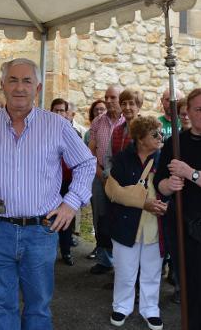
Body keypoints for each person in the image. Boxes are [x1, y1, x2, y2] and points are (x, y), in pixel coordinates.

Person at [0, 58, 95, 329]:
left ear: (38, 88)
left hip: (40, 231)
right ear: (2, 86)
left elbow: (86, 163)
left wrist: (71, 203)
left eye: (27, 81)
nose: (20, 87)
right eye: (13, 80)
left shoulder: (57, 125)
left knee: (38, 308)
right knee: (1, 305)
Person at [154, 88, 201, 330]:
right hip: (181, 229)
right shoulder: (176, 143)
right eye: (200, 109)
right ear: (187, 112)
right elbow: (160, 184)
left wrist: (191, 173)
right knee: (188, 290)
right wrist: (169, 184)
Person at [104, 116, 167, 330]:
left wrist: (167, 205)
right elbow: (112, 191)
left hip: (155, 226)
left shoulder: (166, 158)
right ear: (140, 138)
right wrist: (142, 202)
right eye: (155, 134)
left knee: (152, 272)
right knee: (124, 270)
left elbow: (174, 190)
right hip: (125, 224)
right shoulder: (122, 159)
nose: (161, 137)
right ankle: (121, 306)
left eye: (160, 133)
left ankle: (151, 310)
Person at [87, 86, 125, 270]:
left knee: (119, 217)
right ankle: (104, 259)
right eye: (106, 97)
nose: (109, 101)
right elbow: (91, 150)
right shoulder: (97, 122)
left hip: (121, 178)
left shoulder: (129, 122)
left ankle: (121, 262)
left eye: (113, 97)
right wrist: (99, 172)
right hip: (99, 174)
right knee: (99, 216)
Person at [50, 98, 78, 266]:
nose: (59, 114)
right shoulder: (44, 132)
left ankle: (66, 251)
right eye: (56, 110)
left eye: (62, 111)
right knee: (50, 217)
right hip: (51, 182)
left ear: (67, 114)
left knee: (66, 217)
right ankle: (50, 251)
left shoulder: (73, 133)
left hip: (67, 181)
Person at [110, 89, 143, 156]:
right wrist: (110, 167)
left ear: (138, 107)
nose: (127, 107)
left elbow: (153, 155)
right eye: (124, 104)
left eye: (131, 103)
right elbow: (108, 156)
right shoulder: (116, 131)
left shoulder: (147, 129)